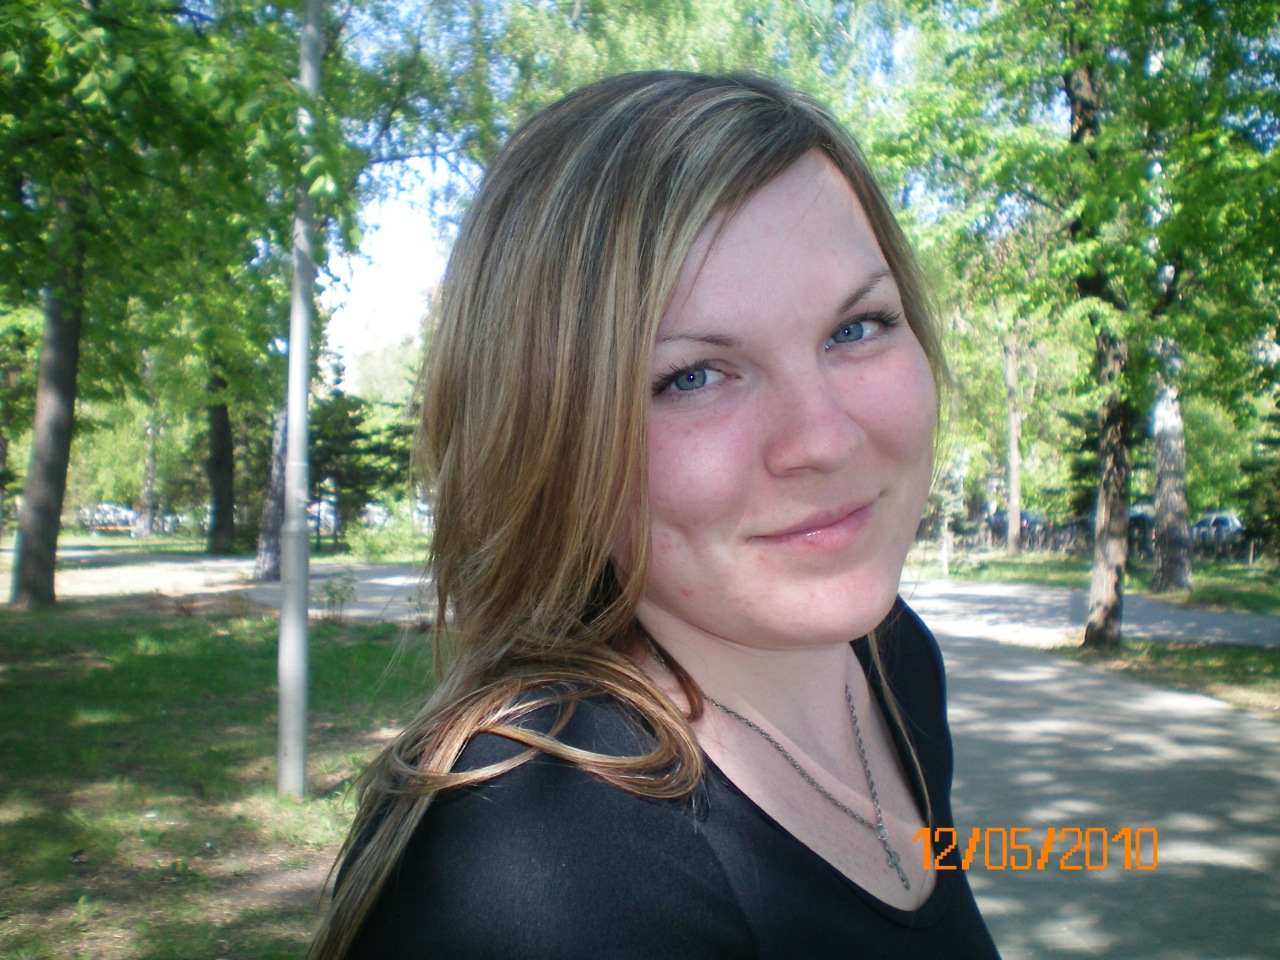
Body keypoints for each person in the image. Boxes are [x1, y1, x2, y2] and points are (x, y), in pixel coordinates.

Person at [310, 71, 1000, 959]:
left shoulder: (891, 660)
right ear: (549, 443)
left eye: (856, 327)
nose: (825, 438)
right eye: (692, 377)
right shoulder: (536, 874)